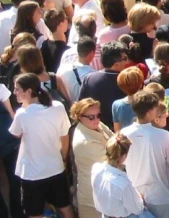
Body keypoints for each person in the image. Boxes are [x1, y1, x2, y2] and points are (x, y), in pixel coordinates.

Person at [9, 73, 73, 218]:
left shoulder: (22, 114)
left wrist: (24, 107)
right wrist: (63, 158)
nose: (14, 93)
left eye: (17, 89)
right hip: (56, 168)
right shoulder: (58, 107)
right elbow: (64, 136)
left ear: (29, 92)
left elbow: (16, 133)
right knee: (65, 207)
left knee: (34, 214)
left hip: (32, 175)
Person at [121, 91, 169, 218]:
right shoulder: (164, 135)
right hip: (161, 198)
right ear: (149, 111)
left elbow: (122, 161)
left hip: (135, 197)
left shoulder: (124, 133)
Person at [70, 98, 114, 218]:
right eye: (91, 117)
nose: (96, 119)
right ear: (79, 116)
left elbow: (114, 138)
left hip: (105, 192)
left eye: (98, 115)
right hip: (93, 198)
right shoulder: (85, 142)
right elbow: (113, 160)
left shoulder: (97, 125)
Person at [79, 42, 128, 128]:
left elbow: (80, 105)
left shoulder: (89, 78)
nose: (127, 61)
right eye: (125, 58)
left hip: (95, 129)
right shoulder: (126, 81)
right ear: (116, 64)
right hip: (119, 133)